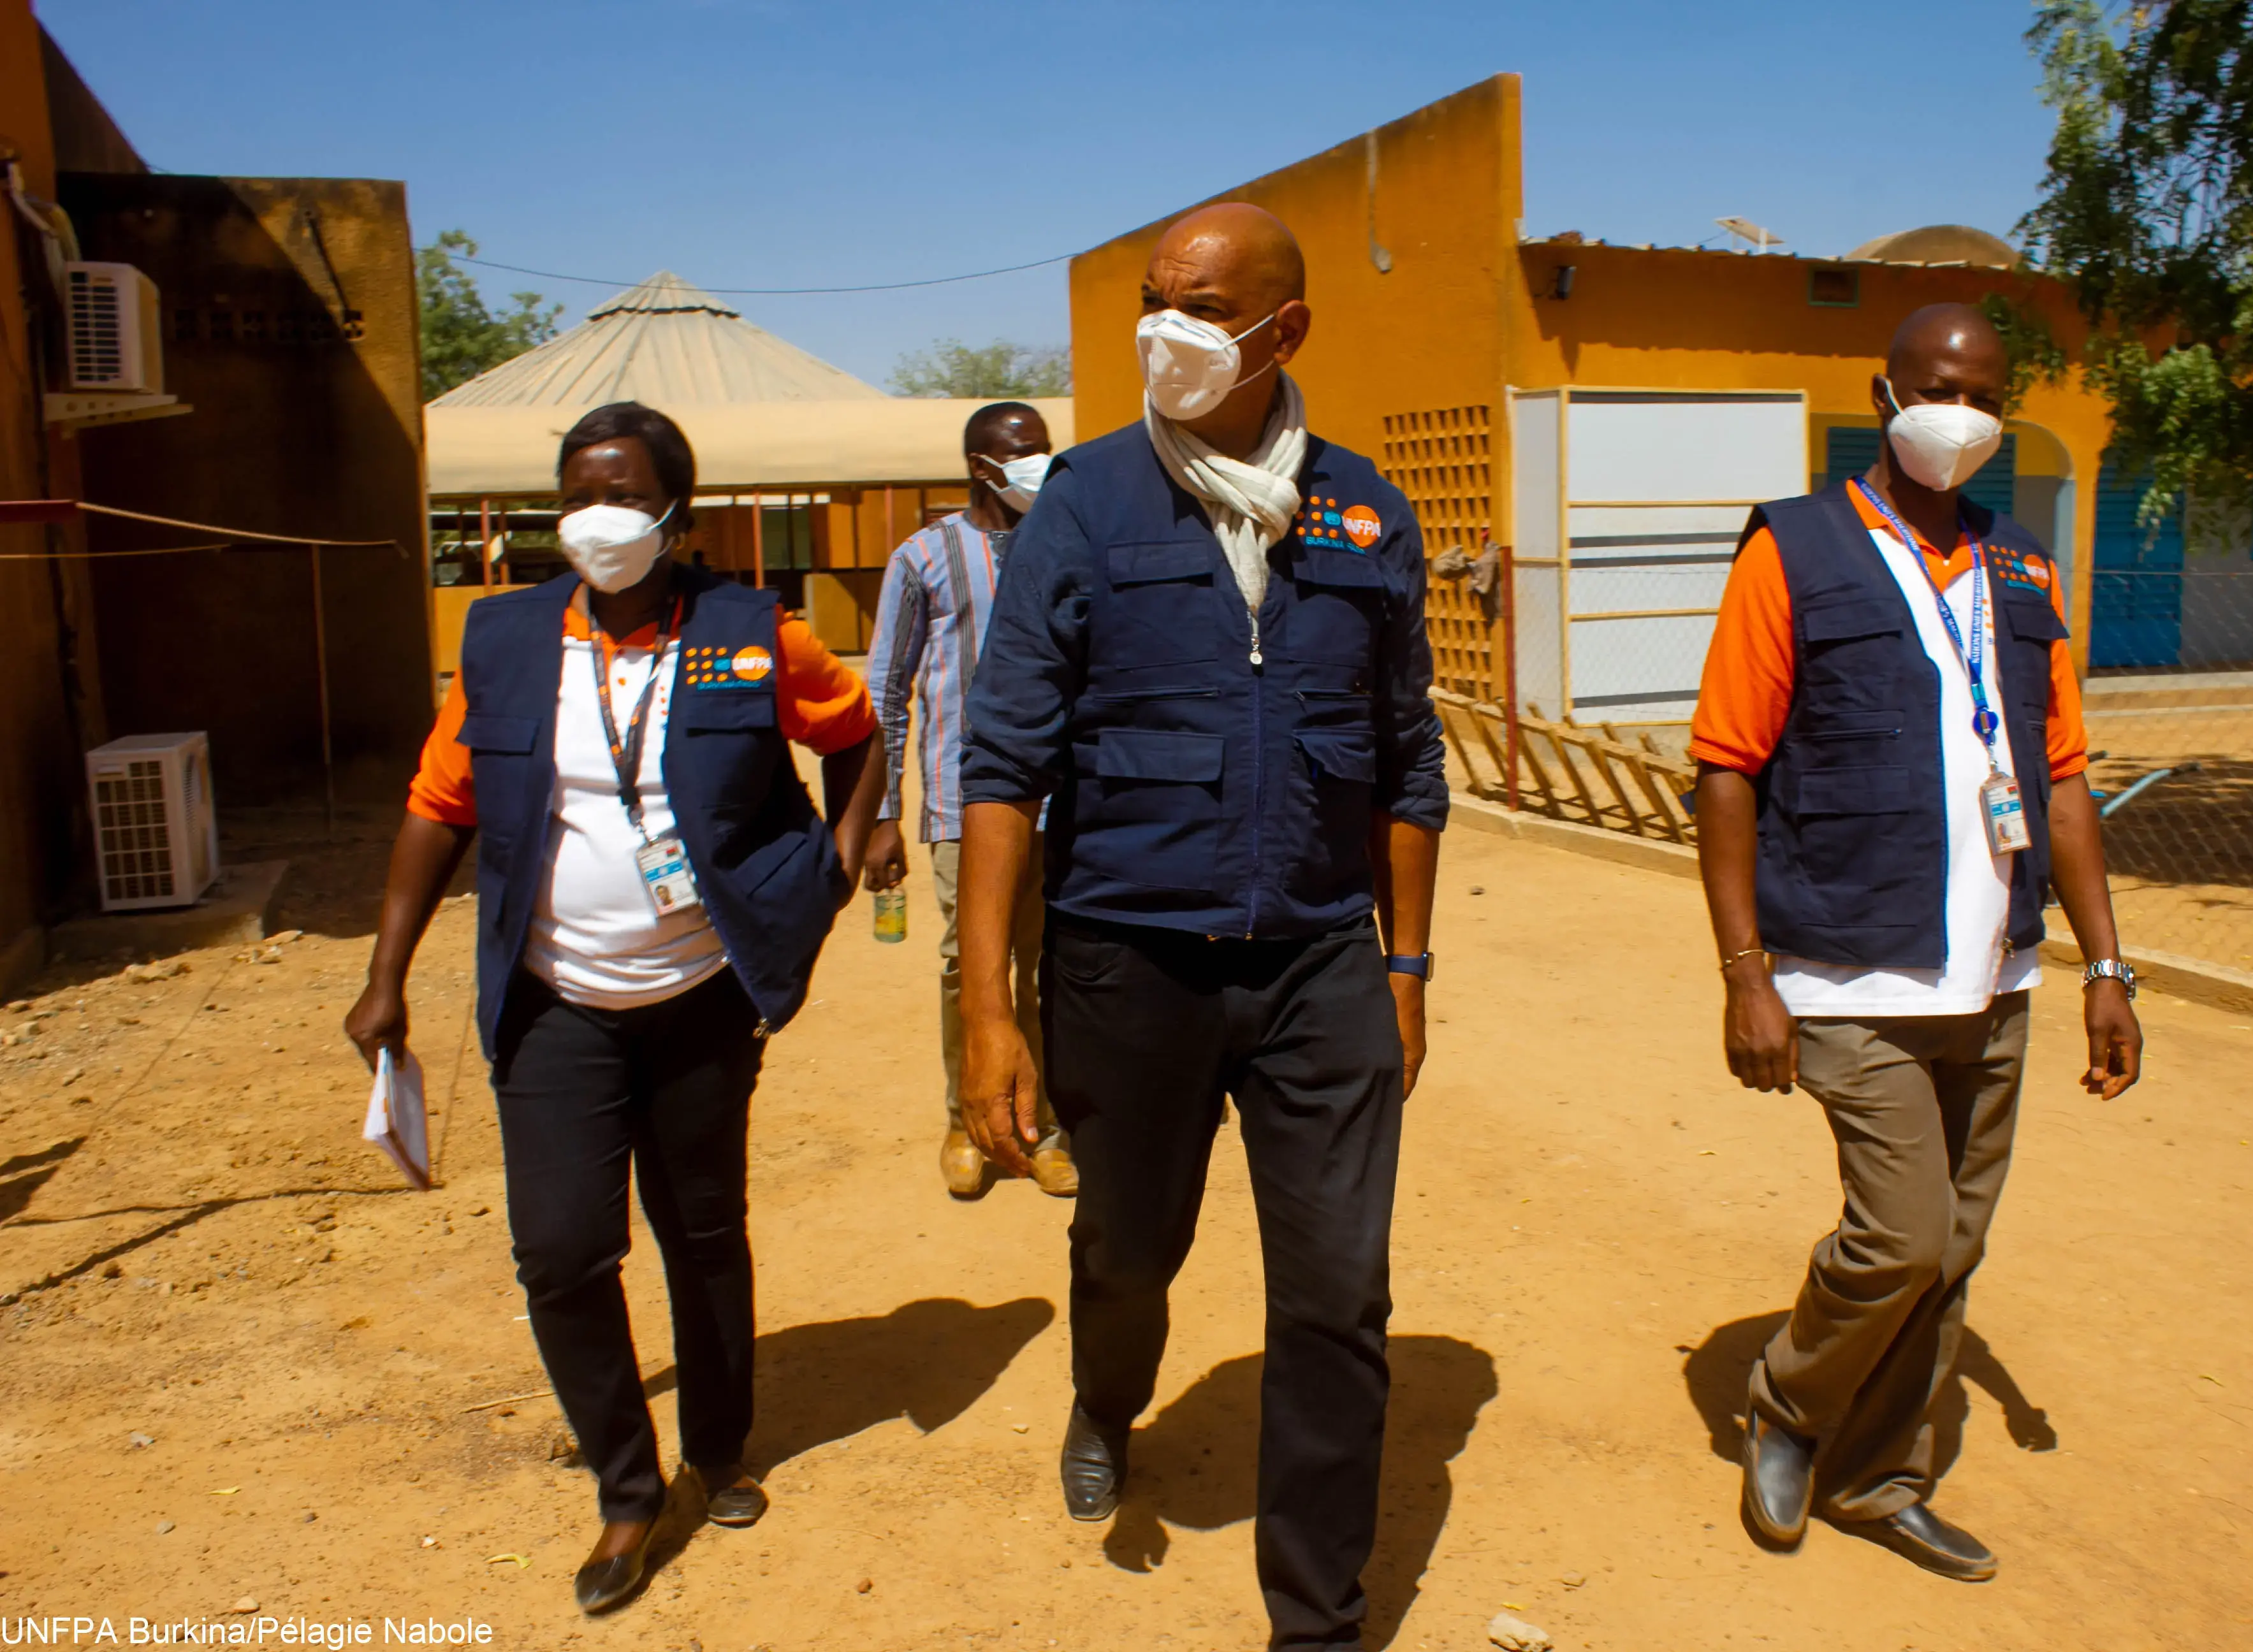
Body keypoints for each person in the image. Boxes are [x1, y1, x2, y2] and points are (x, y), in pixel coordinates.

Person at [954, 202, 1445, 1651]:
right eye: (1152, 300)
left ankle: (1316, 1620)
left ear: (1282, 331)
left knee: (1340, 1296)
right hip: (1127, 964)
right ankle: (1106, 1393)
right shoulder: (1083, 506)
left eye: (1199, 305)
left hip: (1316, 970)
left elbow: (1407, 761)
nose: (1162, 329)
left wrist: (1404, 965)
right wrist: (992, 1005)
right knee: (1127, 1246)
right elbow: (1004, 763)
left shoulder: (1363, 510)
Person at [344, 402, 884, 1615]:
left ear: (674, 510)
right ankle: (628, 1490)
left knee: (702, 1231)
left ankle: (721, 1447)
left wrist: (840, 861)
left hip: (700, 995)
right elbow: (440, 806)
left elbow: (855, 734)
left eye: (628, 493)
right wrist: (385, 975)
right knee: (560, 1248)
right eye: (580, 491)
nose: (601, 515)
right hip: (555, 1003)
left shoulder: (753, 634)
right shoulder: (507, 640)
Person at [1691, 305, 2143, 1582]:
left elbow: (2058, 781)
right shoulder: (1798, 549)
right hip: (1847, 970)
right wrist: (1747, 976)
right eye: (1939, 388)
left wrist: (2104, 967)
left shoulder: (2023, 568)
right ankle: (1788, 1403)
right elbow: (1726, 768)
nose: (1961, 414)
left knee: (1957, 1253)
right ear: (1885, 392)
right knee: (1902, 1237)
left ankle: (1881, 1479)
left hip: (1994, 976)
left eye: (1988, 397)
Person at [861, 401, 1077, 1199]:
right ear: (982, 467)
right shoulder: (924, 559)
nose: (1039, 467)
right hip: (963, 805)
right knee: (970, 969)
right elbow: (886, 690)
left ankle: (1046, 1126)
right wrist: (883, 812)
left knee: (1053, 967)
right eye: (1024, 455)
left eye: (1046, 451)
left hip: (1063, 803)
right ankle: (968, 1118)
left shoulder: (1065, 549)